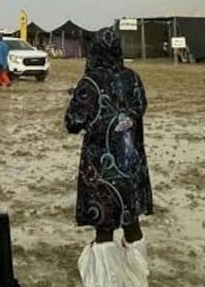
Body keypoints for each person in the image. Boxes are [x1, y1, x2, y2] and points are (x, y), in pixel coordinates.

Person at [65, 27, 151, 286]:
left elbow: (72, 121)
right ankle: (137, 277)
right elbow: (140, 108)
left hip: (102, 170)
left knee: (104, 228)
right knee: (132, 222)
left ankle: (107, 281)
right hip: (131, 165)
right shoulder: (133, 78)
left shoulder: (89, 83)